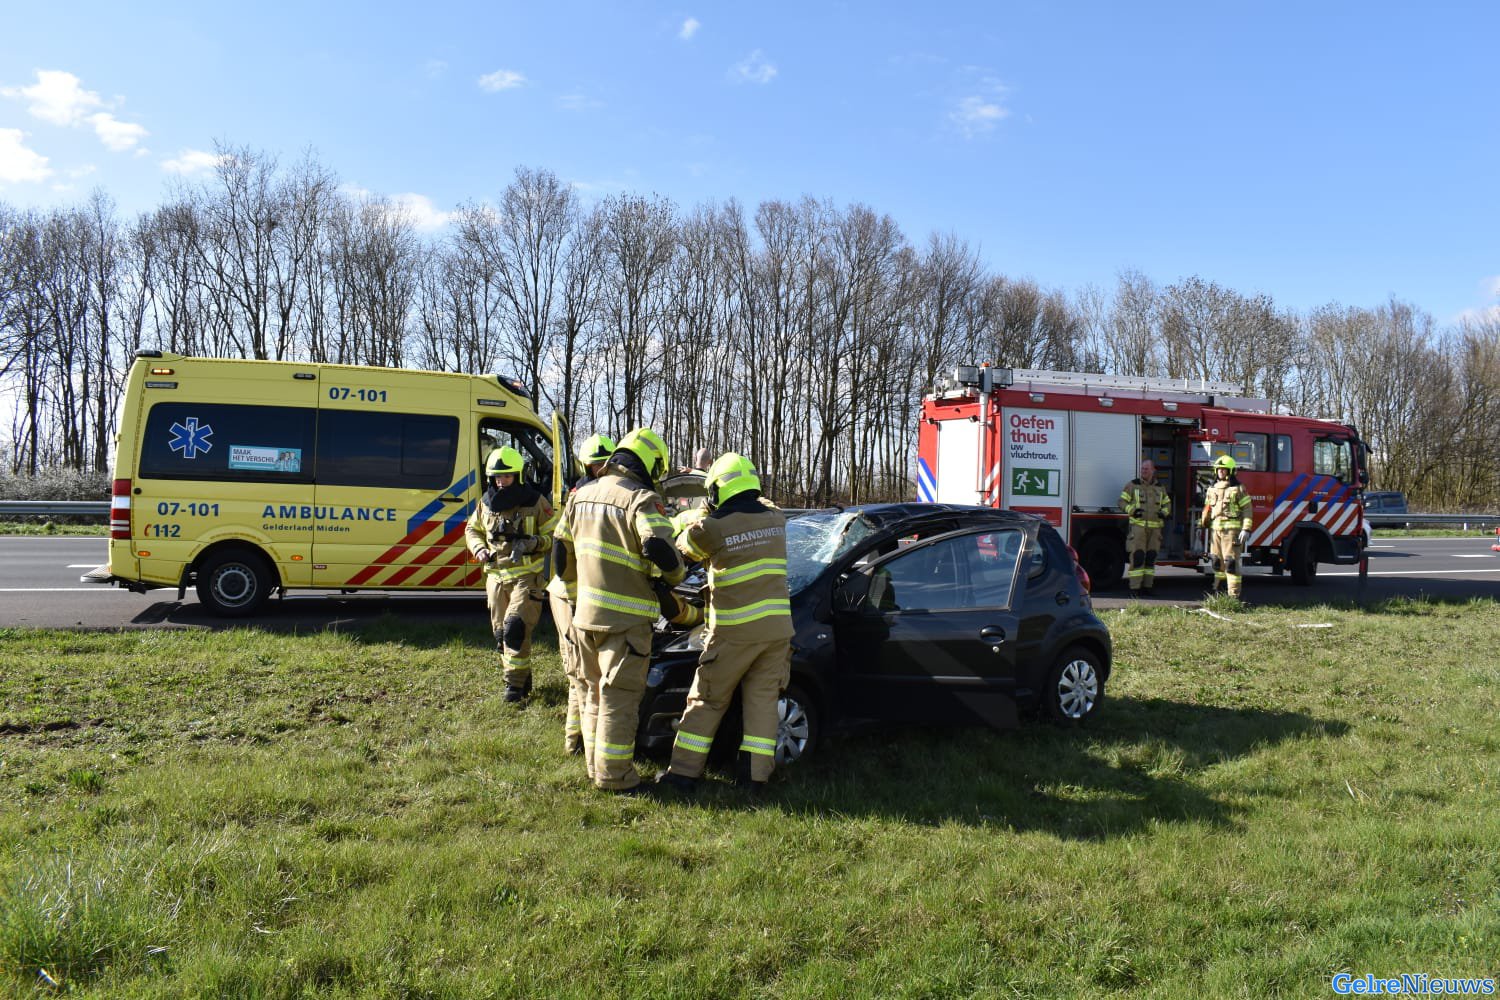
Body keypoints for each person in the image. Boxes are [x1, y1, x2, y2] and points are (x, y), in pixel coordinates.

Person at [555, 427, 684, 793]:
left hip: (584, 616)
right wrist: (674, 575)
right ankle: (616, 778)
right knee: (619, 699)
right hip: (625, 622)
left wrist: (575, 594)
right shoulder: (641, 499)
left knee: (592, 694)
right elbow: (658, 547)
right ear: (649, 464)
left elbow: (560, 552)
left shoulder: (580, 495)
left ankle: (595, 769)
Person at [657, 453, 791, 795]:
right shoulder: (777, 519)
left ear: (717, 490)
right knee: (762, 703)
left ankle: (683, 774)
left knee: (707, 700)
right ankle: (754, 779)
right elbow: (764, 505)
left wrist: (696, 515)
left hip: (734, 633)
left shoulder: (712, 527)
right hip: (777, 632)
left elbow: (681, 551)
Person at [466, 446, 556, 702]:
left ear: (518, 476)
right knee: (501, 635)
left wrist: (533, 543)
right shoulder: (486, 503)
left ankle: (513, 687)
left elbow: (555, 536)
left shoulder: (536, 502)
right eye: (497, 477)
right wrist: (479, 548)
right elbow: (472, 530)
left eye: (506, 476)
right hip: (496, 577)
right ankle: (522, 677)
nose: (501, 482)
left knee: (515, 628)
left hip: (527, 577)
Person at [548, 433, 615, 757]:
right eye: (596, 465)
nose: (601, 470)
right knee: (583, 678)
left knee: (581, 677)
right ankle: (591, 755)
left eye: (605, 464)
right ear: (587, 467)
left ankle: (574, 742)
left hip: (579, 596)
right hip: (570, 596)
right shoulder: (584, 497)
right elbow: (561, 554)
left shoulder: (591, 495)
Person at [1200, 455, 1253, 598]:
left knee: (1231, 564)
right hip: (1215, 532)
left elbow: (1247, 509)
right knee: (1216, 562)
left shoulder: (1238, 489)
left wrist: (1246, 529)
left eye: (1224, 469)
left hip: (1231, 533)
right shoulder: (1212, 489)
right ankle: (1219, 593)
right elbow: (1207, 509)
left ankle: (1233, 596)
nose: (1221, 472)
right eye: (1219, 469)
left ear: (1231, 471)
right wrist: (1202, 524)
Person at [1120, 459, 1171, 597]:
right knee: (1138, 557)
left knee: (1151, 558)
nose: (1143, 471)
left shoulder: (1160, 488)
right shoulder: (1133, 485)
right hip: (1138, 529)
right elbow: (1121, 501)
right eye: (1142, 468)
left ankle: (1148, 586)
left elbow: (1167, 504)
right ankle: (1135, 588)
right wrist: (1132, 510)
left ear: (1153, 470)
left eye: (1146, 469)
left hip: (1155, 530)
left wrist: (1164, 512)